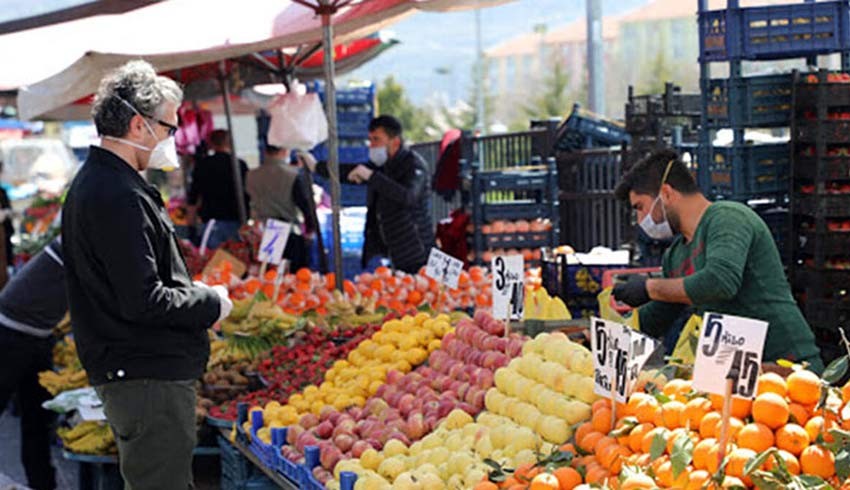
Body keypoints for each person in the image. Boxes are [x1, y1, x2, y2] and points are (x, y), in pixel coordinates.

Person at [61, 60, 233, 490]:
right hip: (146, 376)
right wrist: (210, 302)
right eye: (169, 128)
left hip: (138, 371)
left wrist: (187, 288)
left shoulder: (107, 184)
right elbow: (144, 300)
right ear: (139, 125)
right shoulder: (116, 193)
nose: (173, 139)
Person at [611, 149, 823, 371]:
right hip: (733, 373)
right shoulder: (674, 254)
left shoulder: (728, 218)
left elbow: (720, 282)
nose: (640, 219)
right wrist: (607, 337)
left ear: (666, 193)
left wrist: (649, 287)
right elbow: (660, 313)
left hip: (785, 367)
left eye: (640, 207)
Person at [0, 238, 64, 490]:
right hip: (8, 335)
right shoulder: (80, 240)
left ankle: (43, 485)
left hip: (40, 336)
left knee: (38, 421)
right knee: (35, 423)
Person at [345, 115, 435, 273]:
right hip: (396, 252)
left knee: (429, 293)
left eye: (377, 140)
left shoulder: (414, 164)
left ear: (395, 142)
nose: (371, 146)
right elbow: (350, 170)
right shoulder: (383, 166)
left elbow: (408, 196)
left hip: (420, 252)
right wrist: (317, 167)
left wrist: (372, 177)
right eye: (370, 140)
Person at [245, 145, 316, 270]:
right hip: (288, 231)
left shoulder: (251, 175)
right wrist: (310, 229)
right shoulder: (292, 175)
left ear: (265, 152)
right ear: (285, 151)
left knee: (269, 276)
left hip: (263, 231)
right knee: (294, 277)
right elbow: (305, 205)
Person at [187, 129, 250, 249]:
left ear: (211, 144)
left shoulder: (202, 165)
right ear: (230, 143)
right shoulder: (240, 164)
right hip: (237, 221)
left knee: (213, 264)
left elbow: (193, 197)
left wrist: (191, 225)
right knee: (237, 262)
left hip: (211, 222)